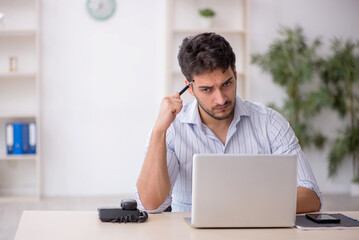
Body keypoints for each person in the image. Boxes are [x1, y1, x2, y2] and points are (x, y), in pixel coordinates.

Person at [136, 32, 321, 214]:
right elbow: (151, 204)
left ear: (235, 74)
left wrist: (246, 208)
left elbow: (311, 197)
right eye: (207, 89)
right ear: (190, 88)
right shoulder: (171, 129)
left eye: (226, 84)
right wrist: (159, 130)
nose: (221, 99)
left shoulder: (270, 123)